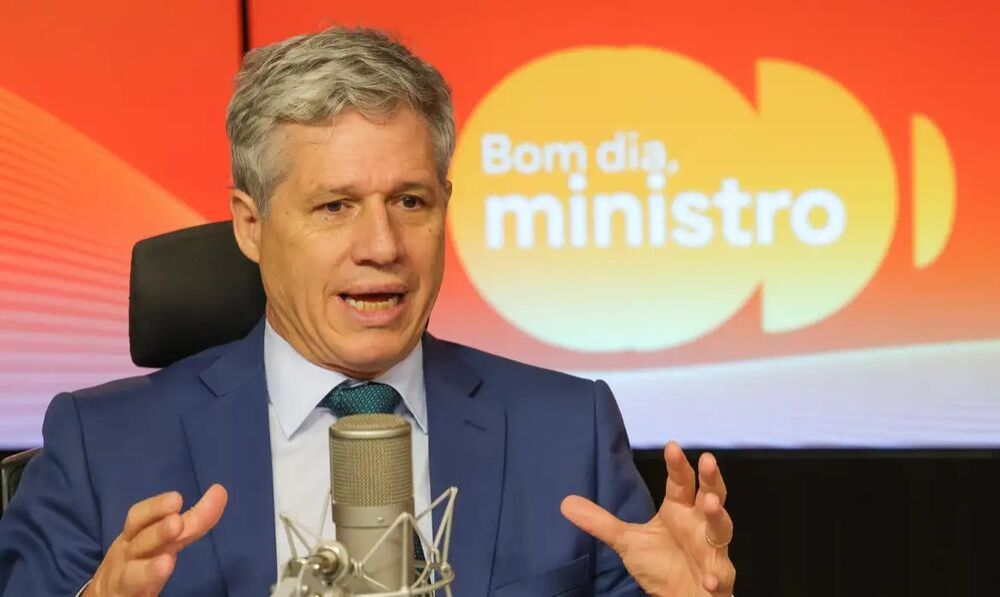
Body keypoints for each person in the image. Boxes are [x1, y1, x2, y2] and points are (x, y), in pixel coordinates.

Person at [0, 27, 735, 596]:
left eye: (410, 201)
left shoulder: (568, 432)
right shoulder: (103, 446)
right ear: (251, 226)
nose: (383, 246)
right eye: (335, 206)